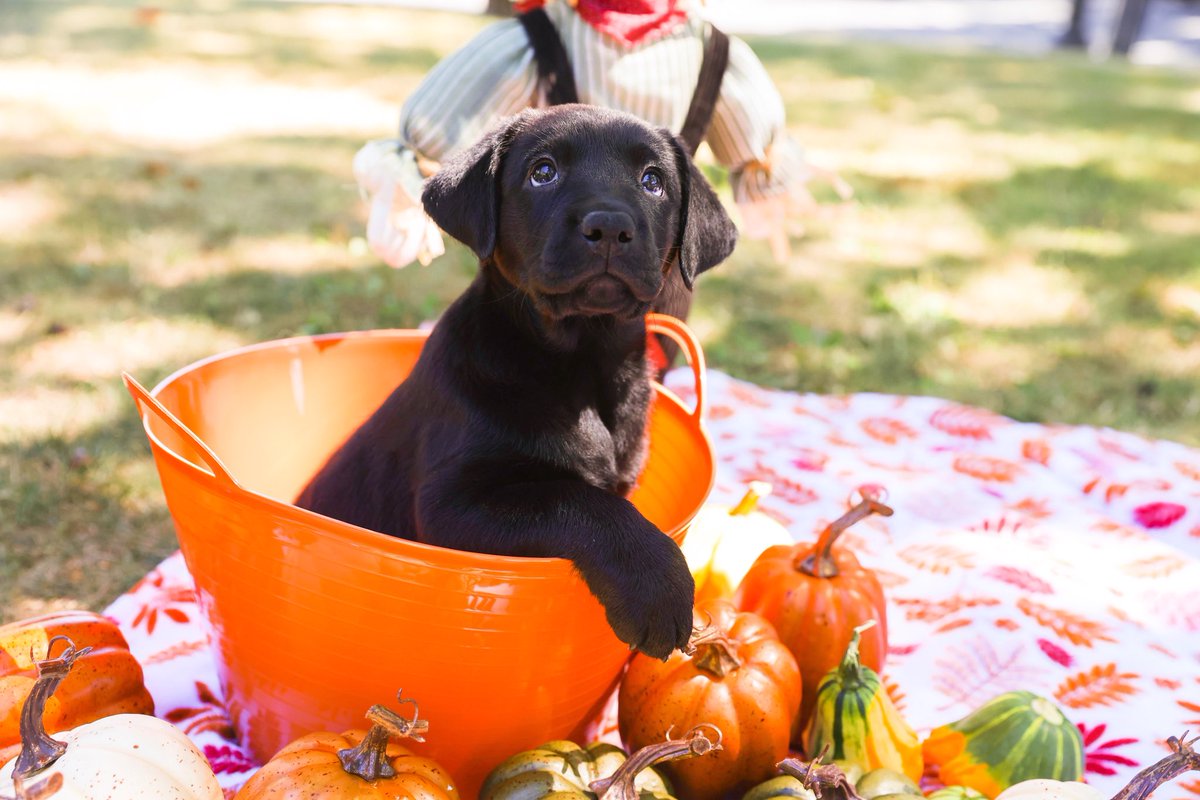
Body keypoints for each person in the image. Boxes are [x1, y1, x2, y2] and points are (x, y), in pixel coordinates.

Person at [355, 0, 850, 272]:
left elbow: (755, 156)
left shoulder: (712, 51)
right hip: (542, 276)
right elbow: (432, 145)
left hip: (654, 276)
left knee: (638, 395)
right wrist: (408, 190)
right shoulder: (536, 39)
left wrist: (763, 187)